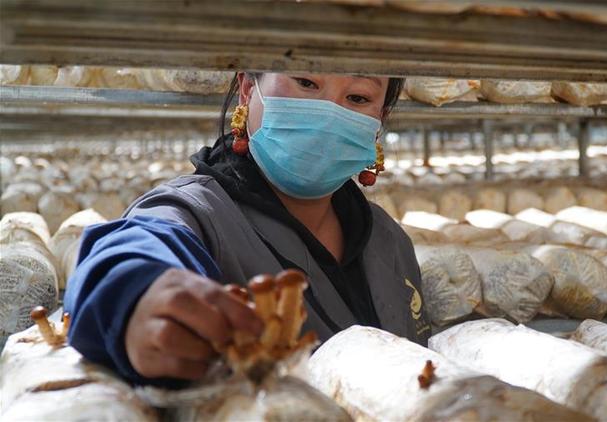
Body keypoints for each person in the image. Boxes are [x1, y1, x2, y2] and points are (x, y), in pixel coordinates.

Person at [63, 72, 430, 388]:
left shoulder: (388, 239)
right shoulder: (199, 213)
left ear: (379, 119)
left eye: (357, 97)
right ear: (247, 90)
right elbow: (133, 250)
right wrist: (135, 294)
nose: (329, 111)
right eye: (305, 81)